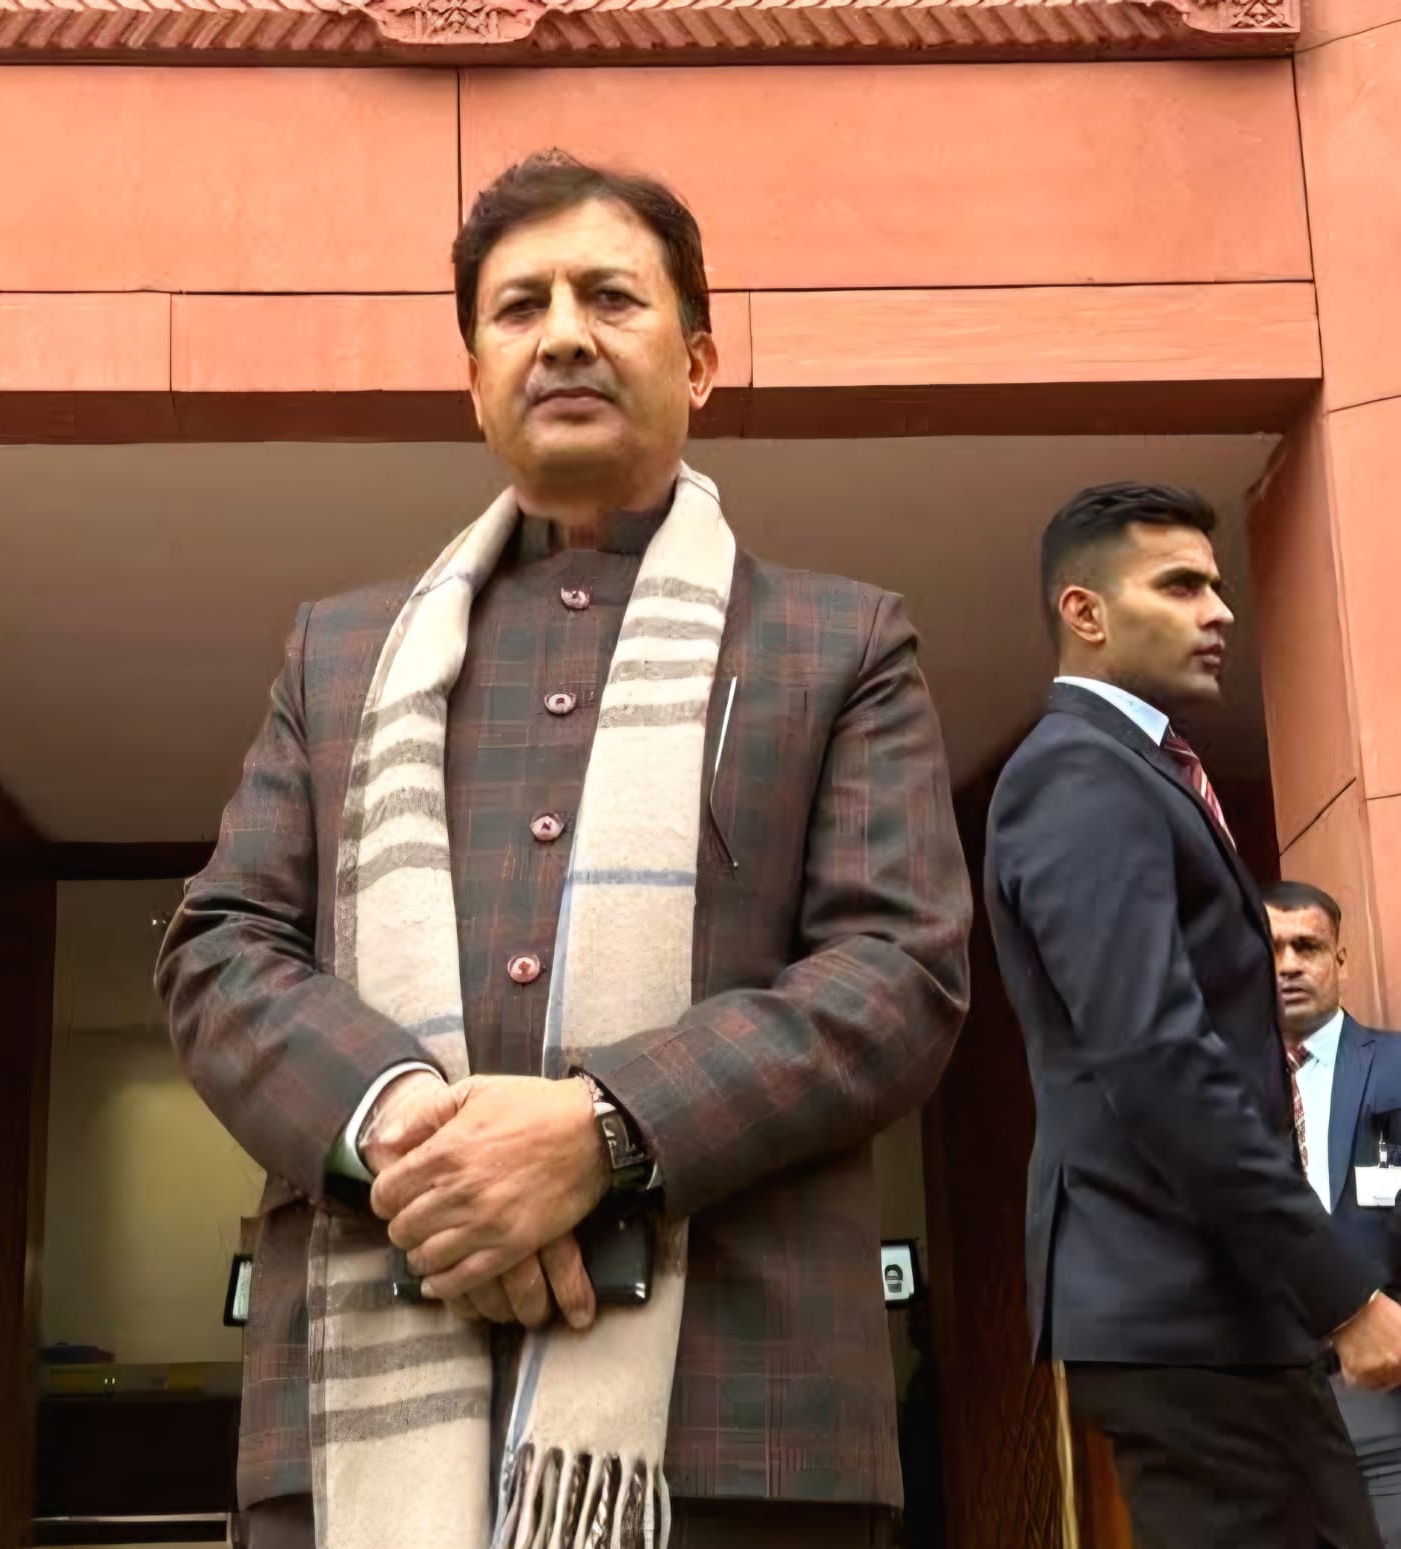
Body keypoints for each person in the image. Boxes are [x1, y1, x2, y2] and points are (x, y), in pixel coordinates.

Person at [156, 150, 971, 1549]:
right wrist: (416, 1139)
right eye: (520, 307)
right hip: (359, 1417)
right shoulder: (338, 654)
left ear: (699, 360)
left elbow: (898, 973)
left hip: (736, 1425)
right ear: (474, 379)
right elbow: (221, 949)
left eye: (611, 297)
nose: (565, 336)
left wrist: (603, 1133)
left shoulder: (840, 642)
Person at [984, 480, 1401, 1549]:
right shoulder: (1079, 771)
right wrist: (1342, 1294)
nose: (1220, 611)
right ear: (1085, 612)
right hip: (1178, 1303)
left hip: (1216, 1306)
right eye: (1179, 585)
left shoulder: (1138, 767)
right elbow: (1159, 1059)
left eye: (1217, 586)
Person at [1267, 879, 1401, 1546]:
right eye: (1272, 950)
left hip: (1381, 1391)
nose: (1289, 964)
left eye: (1308, 946)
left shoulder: (1396, 1069)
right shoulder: (1219, 1092)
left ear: (1340, 960)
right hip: (1265, 1409)